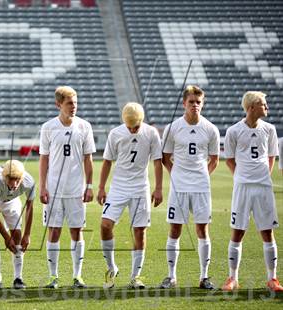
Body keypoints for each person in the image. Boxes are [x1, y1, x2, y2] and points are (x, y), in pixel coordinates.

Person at [159, 85, 220, 290]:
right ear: (184, 103)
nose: (195, 105)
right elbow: (165, 158)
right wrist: (177, 176)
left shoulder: (211, 128)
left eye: (198, 102)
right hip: (179, 186)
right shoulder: (172, 127)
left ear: (202, 104)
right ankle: (171, 276)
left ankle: (204, 277)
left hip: (201, 187)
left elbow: (214, 160)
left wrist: (201, 177)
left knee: (202, 229)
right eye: (191, 102)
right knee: (175, 229)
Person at [221, 91, 283, 292]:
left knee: (267, 231)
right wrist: (242, 177)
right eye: (263, 104)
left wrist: (263, 176)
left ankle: (272, 278)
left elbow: (271, 156)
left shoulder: (269, 129)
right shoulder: (234, 131)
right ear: (251, 107)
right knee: (237, 231)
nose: (267, 108)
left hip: (263, 187)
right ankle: (232, 277)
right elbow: (230, 159)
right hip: (243, 187)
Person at [97, 102, 163, 289]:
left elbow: (157, 162)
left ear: (141, 121)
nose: (132, 129)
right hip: (118, 187)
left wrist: (158, 188)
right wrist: (101, 187)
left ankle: (135, 276)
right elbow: (107, 161)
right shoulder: (116, 133)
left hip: (140, 188)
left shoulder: (151, 133)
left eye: (135, 126)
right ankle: (111, 268)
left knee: (139, 231)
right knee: (105, 224)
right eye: (129, 126)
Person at [39, 86, 95, 288]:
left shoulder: (84, 126)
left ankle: (77, 276)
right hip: (53, 189)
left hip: (76, 189)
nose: (74, 107)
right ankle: (53, 277)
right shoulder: (48, 127)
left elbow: (89, 159)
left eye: (75, 102)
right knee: (53, 232)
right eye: (69, 103)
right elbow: (44, 159)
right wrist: (42, 187)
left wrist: (89, 185)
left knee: (76, 231)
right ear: (58, 104)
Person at [0, 160, 34, 289]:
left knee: (17, 235)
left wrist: (27, 235)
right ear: (5, 177)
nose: (15, 184)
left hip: (11, 200)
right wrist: (6, 238)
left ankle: (18, 278)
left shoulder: (29, 182)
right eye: (11, 179)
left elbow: (29, 208)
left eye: (18, 180)